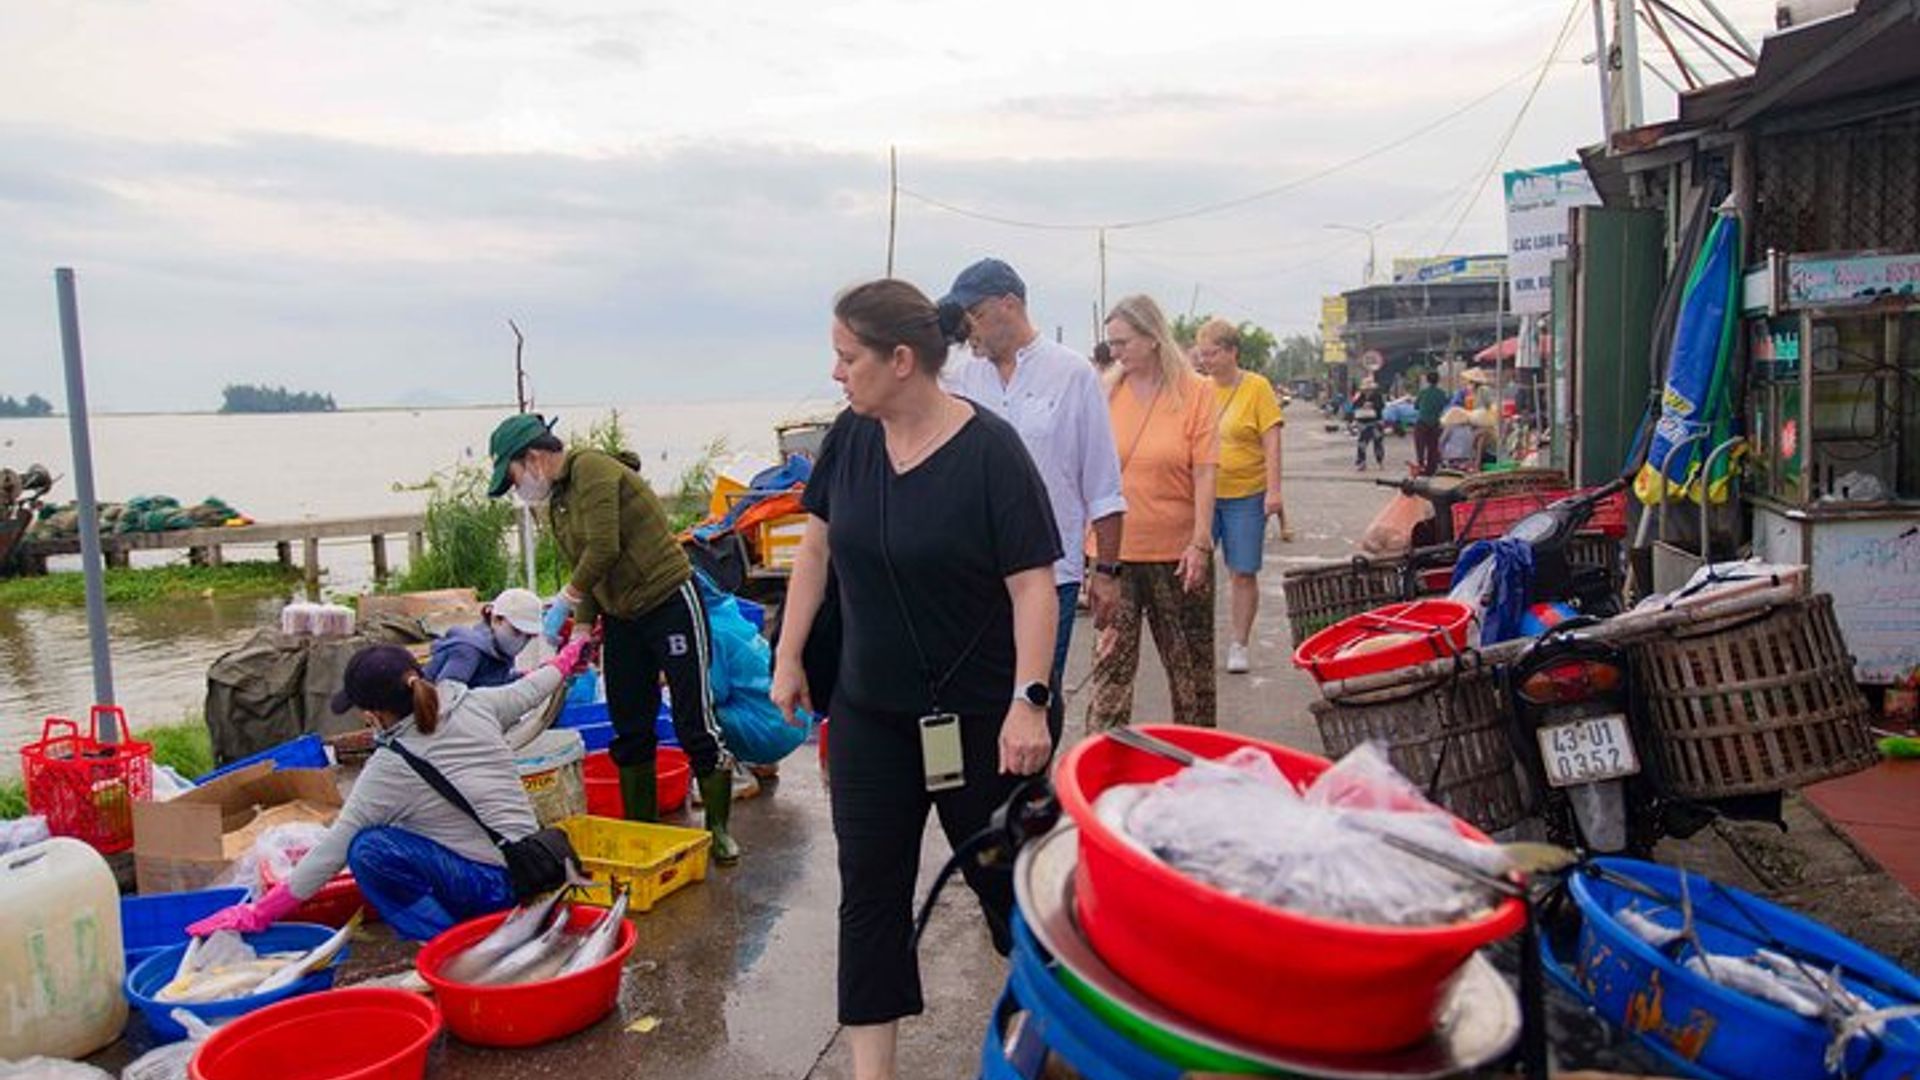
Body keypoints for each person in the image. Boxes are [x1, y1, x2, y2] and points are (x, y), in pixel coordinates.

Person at [770, 279, 1060, 1080]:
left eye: (847, 357)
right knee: (869, 894)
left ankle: (1058, 1040)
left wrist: (1029, 703)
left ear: (900, 360)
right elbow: (816, 550)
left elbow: (1034, 587)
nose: (836, 373)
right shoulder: (850, 438)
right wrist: (788, 656)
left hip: (982, 722)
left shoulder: (991, 453)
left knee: (1011, 889)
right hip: (870, 713)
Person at [188, 639, 592, 941]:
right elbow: (536, 686)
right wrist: (569, 657)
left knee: (369, 849)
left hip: (493, 888)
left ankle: (452, 944)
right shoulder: (476, 702)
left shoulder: (390, 768)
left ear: (374, 714)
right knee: (401, 825)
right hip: (534, 868)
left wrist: (258, 913)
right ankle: (484, 926)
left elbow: (331, 853)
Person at [486, 413, 742, 863]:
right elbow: (588, 567)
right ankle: (644, 831)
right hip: (622, 614)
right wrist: (583, 626)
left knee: (694, 719)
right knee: (629, 723)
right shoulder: (559, 502)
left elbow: (604, 546)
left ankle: (718, 829)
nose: (518, 488)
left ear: (534, 458)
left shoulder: (592, 469)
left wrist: (565, 599)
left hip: (669, 599)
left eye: (514, 476)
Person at [940, 258, 1126, 735]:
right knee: (977, 697)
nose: (968, 330)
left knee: (1036, 696)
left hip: (1052, 573)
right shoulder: (961, 379)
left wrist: (1106, 571)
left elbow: (1102, 484)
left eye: (974, 316)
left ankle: (1033, 778)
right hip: (972, 572)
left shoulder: (1072, 374)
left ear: (1010, 304)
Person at [1085, 294, 1219, 731]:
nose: (1115, 352)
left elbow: (1205, 471)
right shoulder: (1104, 392)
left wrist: (1200, 542)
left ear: (1153, 338)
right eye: (1111, 343)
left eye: (1122, 342)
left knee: (1191, 677)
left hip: (1178, 556)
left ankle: (1198, 759)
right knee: (1110, 675)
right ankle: (1099, 761)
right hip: (1114, 557)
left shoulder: (1196, 392)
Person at [1192, 318, 1285, 675]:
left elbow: (1272, 441)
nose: (1206, 361)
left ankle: (1239, 643)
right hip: (1203, 494)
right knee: (1195, 568)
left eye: (1212, 353)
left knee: (1242, 571)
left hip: (1246, 494)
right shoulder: (1198, 388)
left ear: (1232, 351)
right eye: (1202, 355)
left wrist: (1274, 491)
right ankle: (1195, 640)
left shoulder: (1257, 387)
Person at [422, 587, 546, 689]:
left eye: (529, 636)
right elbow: (446, 700)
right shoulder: (468, 652)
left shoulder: (499, 652)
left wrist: (529, 676)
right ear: (496, 620)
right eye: (516, 631)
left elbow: (494, 681)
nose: (522, 641)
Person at [1413, 371, 1449, 476]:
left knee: (1420, 446)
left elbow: (1416, 406)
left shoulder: (1423, 392)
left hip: (1422, 423)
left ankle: (1420, 465)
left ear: (1427, 380)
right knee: (1433, 447)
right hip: (1435, 424)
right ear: (1438, 380)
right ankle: (1431, 469)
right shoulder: (1441, 393)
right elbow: (1443, 405)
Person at [1352, 379, 1386, 471]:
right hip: (1363, 422)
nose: (1367, 390)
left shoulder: (1377, 395)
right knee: (1362, 443)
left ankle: (1380, 461)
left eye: (1369, 389)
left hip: (1376, 421)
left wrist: (1372, 405)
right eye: (1366, 389)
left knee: (1378, 442)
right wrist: (1362, 404)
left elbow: (1382, 406)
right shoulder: (1360, 395)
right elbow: (1354, 405)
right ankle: (1361, 462)